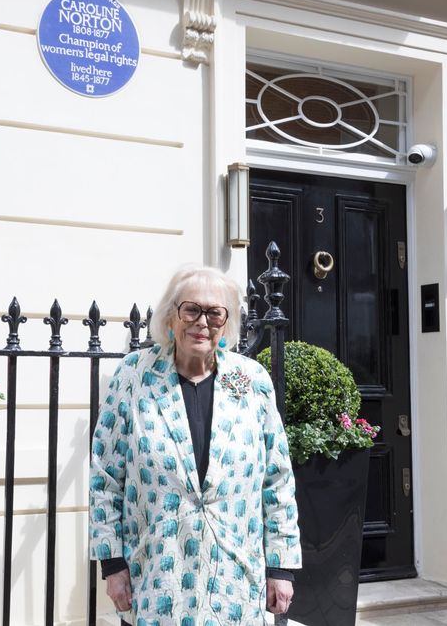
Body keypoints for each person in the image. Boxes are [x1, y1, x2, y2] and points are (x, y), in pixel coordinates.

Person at [89, 265, 302, 625]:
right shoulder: (133, 376)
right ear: (172, 315)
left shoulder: (251, 380)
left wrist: (281, 566)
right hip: (157, 574)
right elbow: (105, 478)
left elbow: (277, 478)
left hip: (236, 579)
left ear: (227, 322)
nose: (202, 322)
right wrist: (112, 565)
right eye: (191, 309)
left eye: (215, 312)